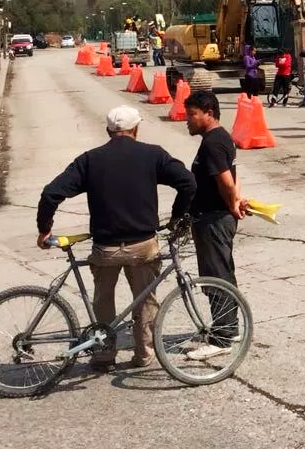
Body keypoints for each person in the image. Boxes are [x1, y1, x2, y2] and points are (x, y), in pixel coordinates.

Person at [36, 106, 197, 372]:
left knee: (102, 300)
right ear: (136, 129)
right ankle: (144, 356)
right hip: (143, 246)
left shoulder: (90, 159)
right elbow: (188, 183)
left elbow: (51, 193)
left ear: (109, 131)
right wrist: (177, 217)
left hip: (106, 248)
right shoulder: (152, 155)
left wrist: (45, 229)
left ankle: (102, 356)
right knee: (145, 301)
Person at [184, 91, 248, 360]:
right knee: (223, 273)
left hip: (213, 219)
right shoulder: (220, 139)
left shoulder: (213, 143)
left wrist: (233, 203)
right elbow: (232, 175)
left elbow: (225, 180)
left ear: (208, 113)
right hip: (215, 216)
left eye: (192, 114)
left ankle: (222, 337)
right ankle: (228, 327)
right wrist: (235, 201)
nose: (187, 120)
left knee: (215, 276)